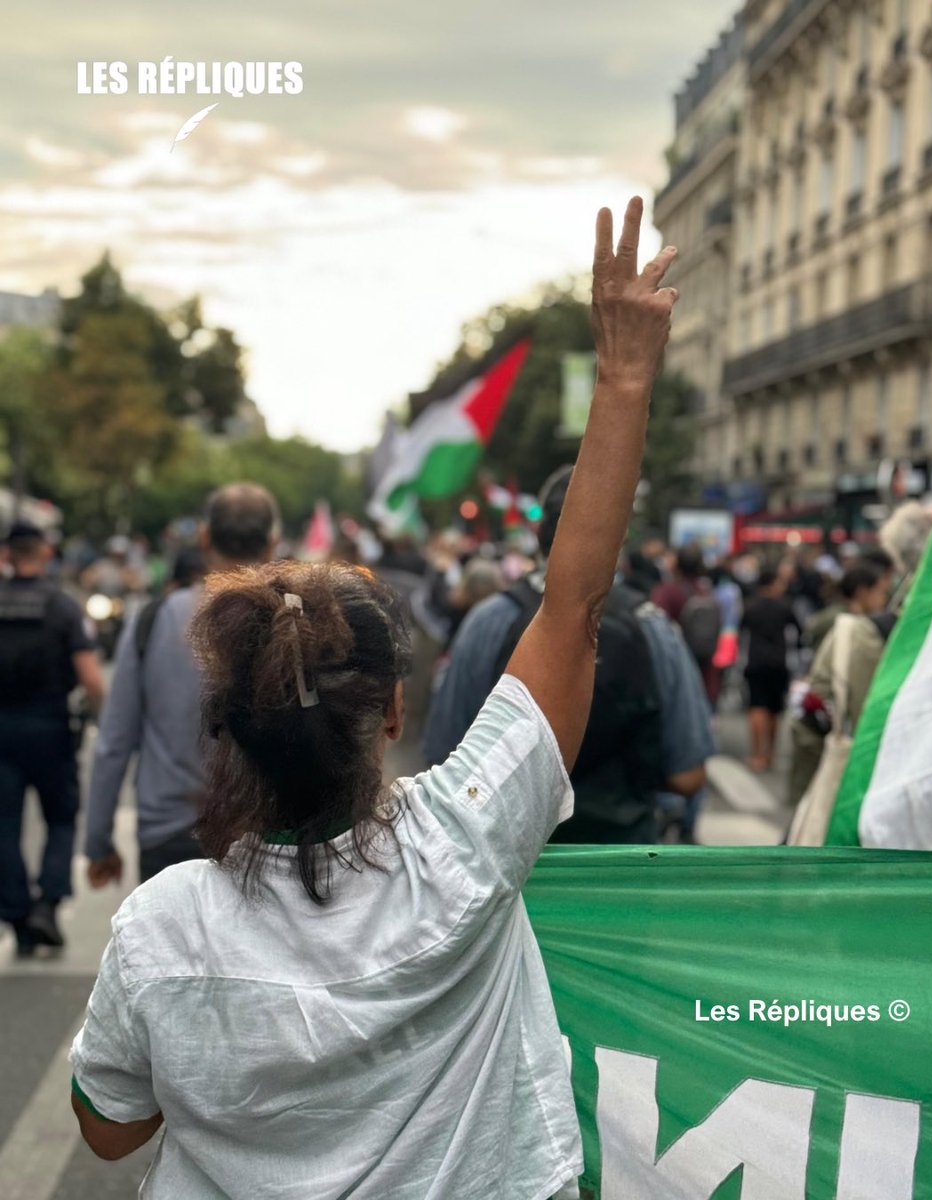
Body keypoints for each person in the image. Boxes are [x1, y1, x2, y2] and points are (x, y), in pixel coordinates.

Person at [68, 197, 679, 1195]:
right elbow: (572, 605)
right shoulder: (469, 841)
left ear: (223, 727)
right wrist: (622, 377)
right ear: (391, 712)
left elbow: (107, 1132)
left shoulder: (162, 926)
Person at [423, 466, 713, 846]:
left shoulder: (491, 621)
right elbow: (688, 773)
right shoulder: (652, 627)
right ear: (619, 537)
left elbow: (442, 756)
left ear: (539, 532)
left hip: (509, 870)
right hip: (621, 866)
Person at [84, 483, 279, 887]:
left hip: (167, 839)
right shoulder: (291, 624)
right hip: (267, 843)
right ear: (272, 543)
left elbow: (115, 741)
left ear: (204, 537)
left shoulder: (152, 620)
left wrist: (98, 841)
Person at [0, 521, 104, 956]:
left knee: (4, 827)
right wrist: (98, 718)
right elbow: (91, 679)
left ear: (6, 555)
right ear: (44, 553)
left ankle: (19, 918)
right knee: (61, 819)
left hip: (1, 731)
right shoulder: (62, 607)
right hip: (50, 729)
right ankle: (49, 901)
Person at [788, 561, 894, 805]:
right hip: (824, 725)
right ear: (862, 591)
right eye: (881, 591)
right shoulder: (851, 626)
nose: (884, 599)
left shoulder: (839, 618)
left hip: (818, 721)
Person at [740, 565, 801, 772]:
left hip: (754, 661)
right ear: (773, 583)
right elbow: (799, 632)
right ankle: (770, 753)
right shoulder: (785, 606)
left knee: (757, 708)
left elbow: (741, 631)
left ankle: (757, 754)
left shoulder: (750, 606)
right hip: (779, 662)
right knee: (775, 711)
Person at [652, 543, 723, 704]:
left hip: (677, 672)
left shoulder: (668, 591)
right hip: (706, 672)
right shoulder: (706, 591)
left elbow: (657, 627)